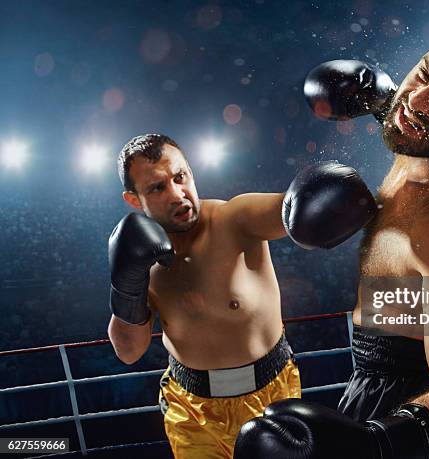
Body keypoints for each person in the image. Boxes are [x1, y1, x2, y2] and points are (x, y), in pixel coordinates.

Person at [235, 22, 429, 458]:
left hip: (422, 405)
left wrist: (376, 445)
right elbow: (424, 103)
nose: (415, 100)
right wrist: (378, 97)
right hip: (386, 368)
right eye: (427, 72)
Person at [107, 134, 375, 458]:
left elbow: (290, 207)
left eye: (180, 177)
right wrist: (126, 284)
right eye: (157, 188)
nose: (177, 194)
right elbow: (129, 351)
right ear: (134, 199)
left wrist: (324, 200)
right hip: (191, 411)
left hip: (270, 396)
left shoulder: (234, 219)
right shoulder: (141, 260)